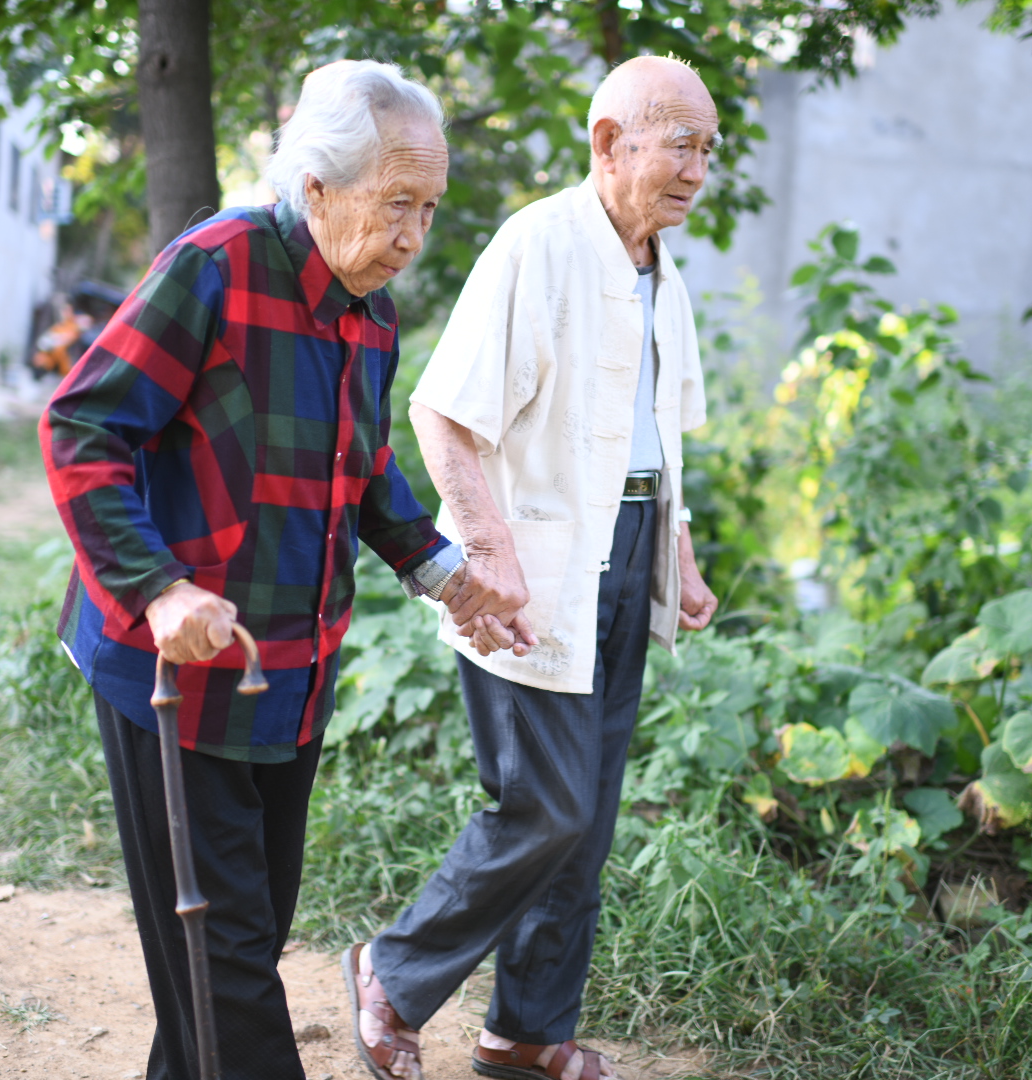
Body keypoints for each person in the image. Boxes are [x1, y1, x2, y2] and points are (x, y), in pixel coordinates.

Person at [41, 59, 522, 1080]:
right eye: (397, 203)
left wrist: (446, 576)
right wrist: (157, 586)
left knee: (225, 959)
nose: (414, 235)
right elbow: (83, 425)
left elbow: (367, 470)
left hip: (290, 677)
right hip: (171, 675)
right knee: (228, 972)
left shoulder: (373, 316)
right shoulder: (213, 267)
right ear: (316, 186)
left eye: (429, 208)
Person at [344, 56, 721, 1080]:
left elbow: (662, 438)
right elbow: (442, 411)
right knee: (542, 804)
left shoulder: (663, 273)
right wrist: (488, 554)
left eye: (707, 149)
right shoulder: (539, 244)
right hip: (539, 563)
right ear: (610, 144)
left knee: (585, 820)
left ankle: (525, 1033)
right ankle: (395, 971)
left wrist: (679, 559)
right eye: (678, 141)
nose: (696, 167)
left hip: (628, 549)